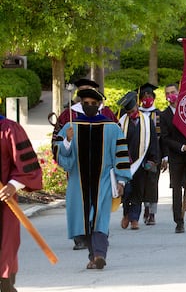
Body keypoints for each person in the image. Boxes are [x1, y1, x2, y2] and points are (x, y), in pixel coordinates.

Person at [55, 88, 132, 270]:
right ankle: (94, 256)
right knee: (84, 221)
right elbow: (61, 156)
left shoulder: (111, 128)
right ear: (81, 105)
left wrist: (121, 181)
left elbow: (120, 155)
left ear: (99, 106)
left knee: (99, 218)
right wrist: (66, 141)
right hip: (78, 182)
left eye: (93, 104)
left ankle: (99, 255)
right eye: (86, 104)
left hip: (103, 180)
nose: (89, 106)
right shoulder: (71, 127)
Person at [51, 78, 117, 250]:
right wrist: (67, 141)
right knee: (79, 204)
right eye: (83, 92)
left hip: (101, 169)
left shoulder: (107, 114)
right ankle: (80, 236)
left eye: (90, 91)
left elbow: (118, 140)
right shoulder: (69, 115)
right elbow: (56, 141)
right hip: (77, 169)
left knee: (99, 202)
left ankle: (99, 236)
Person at [0, 112, 43, 291]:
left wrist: (12, 185)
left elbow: (27, 165)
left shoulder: (9, 129)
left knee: (5, 248)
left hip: (3, 202)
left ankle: (5, 285)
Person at [159, 83, 186, 234]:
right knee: (176, 190)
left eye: (173, 92)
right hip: (176, 156)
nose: (171, 95)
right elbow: (165, 138)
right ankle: (179, 221)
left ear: (179, 92)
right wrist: (184, 147)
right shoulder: (164, 115)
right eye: (168, 93)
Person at [116, 91, 159, 230]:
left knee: (138, 191)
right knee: (126, 191)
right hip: (125, 162)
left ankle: (134, 218)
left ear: (137, 106)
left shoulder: (147, 121)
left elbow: (153, 141)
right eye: (128, 112)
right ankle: (126, 214)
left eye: (133, 111)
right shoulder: (121, 122)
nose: (131, 114)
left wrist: (152, 160)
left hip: (141, 161)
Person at [136, 83, 165, 225]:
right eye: (144, 96)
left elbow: (164, 137)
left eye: (149, 96)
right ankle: (144, 208)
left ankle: (152, 212)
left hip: (155, 154)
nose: (147, 98)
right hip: (139, 155)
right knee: (141, 182)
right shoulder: (137, 115)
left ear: (153, 98)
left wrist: (164, 156)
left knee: (153, 183)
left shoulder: (159, 114)